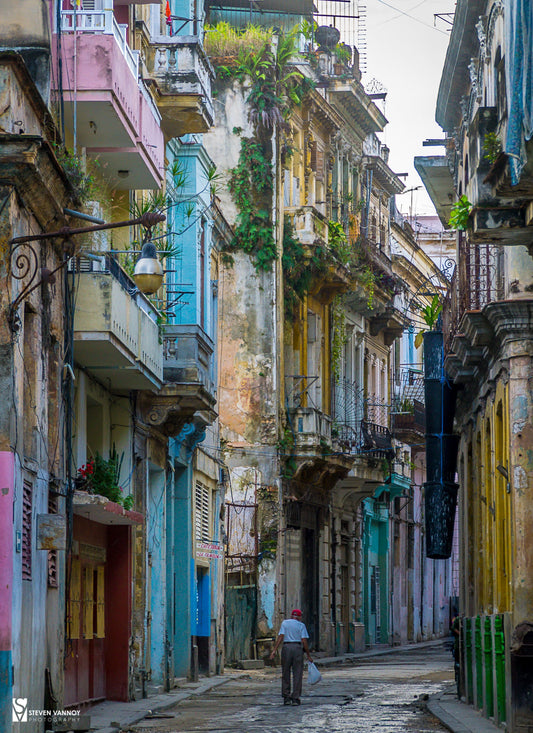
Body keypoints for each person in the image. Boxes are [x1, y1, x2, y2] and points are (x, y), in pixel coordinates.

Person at [269, 609, 313, 706]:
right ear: (299, 617)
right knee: (297, 673)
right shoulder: (301, 625)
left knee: (285, 672)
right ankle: (295, 698)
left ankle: (286, 697)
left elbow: (281, 636)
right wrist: (308, 655)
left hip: (286, 647)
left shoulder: (285, 623)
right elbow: (304, 640)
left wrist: (274, 650)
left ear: (291, 615)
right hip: (297, 648)